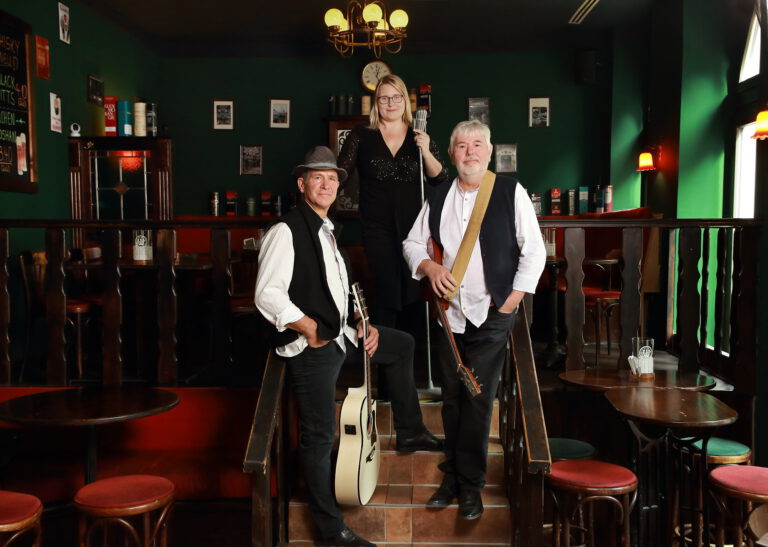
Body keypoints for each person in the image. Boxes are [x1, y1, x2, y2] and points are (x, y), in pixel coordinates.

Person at [255, 146, 442, 546]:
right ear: (302, 184)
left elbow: (338, 291)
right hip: (311, 347)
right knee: (319, 436)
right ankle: (330, 529)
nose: (326, 185)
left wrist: (361, 322)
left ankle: (410, 430)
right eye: (317, 178)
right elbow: (267, 294)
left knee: (401, 345)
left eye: (332, 179)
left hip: (339, 334)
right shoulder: (286, 231)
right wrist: (309, 328)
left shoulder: (328, 231)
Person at [402, 120, 546, 520]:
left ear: (490, 150)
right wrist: (430, 267)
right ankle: (452, 476)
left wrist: (511, 302)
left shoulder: (510, 191)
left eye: (478, 144)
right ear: (451, 154)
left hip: (493, 313)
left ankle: (470, 486)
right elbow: (411, 243)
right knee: (452, 398)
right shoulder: (438, 196)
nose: (470, 152)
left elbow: (534, 251)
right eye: (462, 146)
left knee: (478, 400)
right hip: (449, 316)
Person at [338, 74, 448, 328]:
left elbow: (440, 179)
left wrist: (425, 149)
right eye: (384, 98)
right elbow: (340, 174)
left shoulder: (418, 135)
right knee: (385, 286)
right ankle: (387, 344)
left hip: (414, 226)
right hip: (376, 226)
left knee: (413, 287)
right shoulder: (361, 134)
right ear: (376, 102)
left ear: (405, 101)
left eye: (396, 97)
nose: (391, 103)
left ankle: (411, 346)